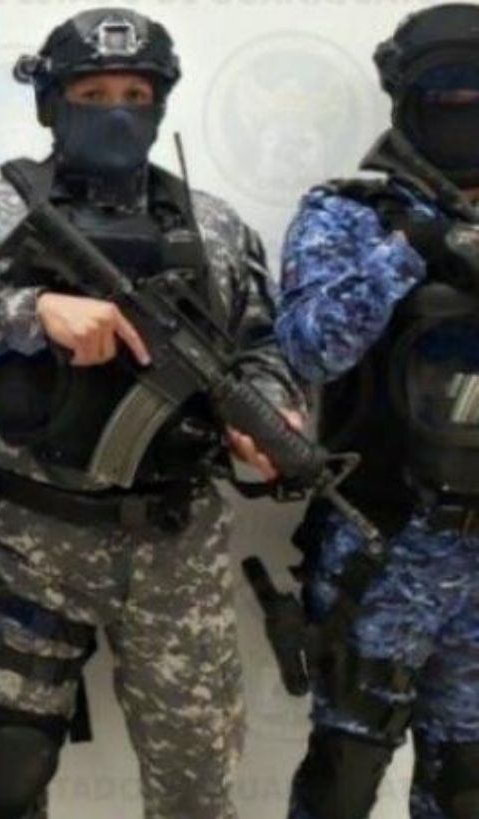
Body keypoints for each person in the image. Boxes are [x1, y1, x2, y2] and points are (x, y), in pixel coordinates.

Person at [0, 8, 306, 819]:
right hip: (38, 536)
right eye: (92, 93)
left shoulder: (214, 227)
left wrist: (272, 410)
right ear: (53, 102)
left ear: (159, 104)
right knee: (6, 772)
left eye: (135, 95)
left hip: (179, 545)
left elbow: (262, 345)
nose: (116, 111)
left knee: (197, 788)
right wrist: (29, 311)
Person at [278, 6, 479, 818]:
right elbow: (309, 349)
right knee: (344, 778)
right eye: (447, 95)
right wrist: (411, 251)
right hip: (387, 543)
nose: (466, 111)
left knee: (467, 786)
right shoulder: (349, 215)